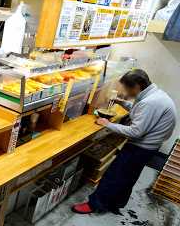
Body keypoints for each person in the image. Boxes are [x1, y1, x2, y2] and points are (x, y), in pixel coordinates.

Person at [73, 69, 177, 215]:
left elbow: (136, 131)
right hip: (150, 146)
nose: (127, 93)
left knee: (114, 175)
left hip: (141, 147)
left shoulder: (150, 102)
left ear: (136, 86)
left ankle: (95, 204)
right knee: (128, 177)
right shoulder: (154, 94)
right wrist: (122, 103)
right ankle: (115, 203)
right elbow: (140, 111)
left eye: (127, 89)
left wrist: (107, 124)